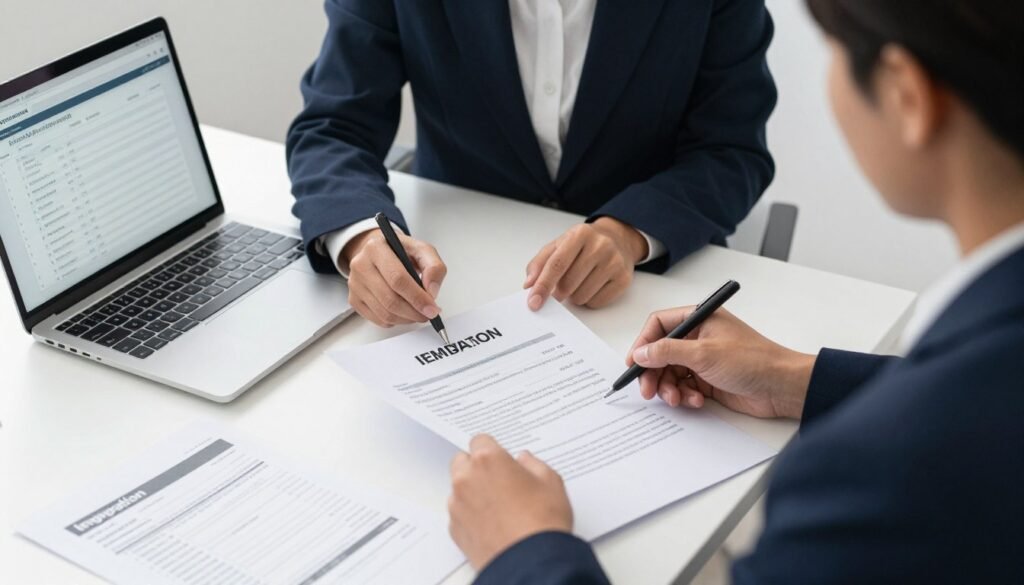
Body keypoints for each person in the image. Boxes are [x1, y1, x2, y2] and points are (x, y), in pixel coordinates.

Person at [444, 0, 1024, 582]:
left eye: (836, 54)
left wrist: (526, 550)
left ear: (907, 95)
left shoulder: (864, 480)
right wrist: (797, 377)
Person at [286, 0, 776, 328]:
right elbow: (333, 125)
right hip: (460, 286)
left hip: (641, 301)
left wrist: (629, 232)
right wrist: (361, 237)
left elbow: (732, 151)